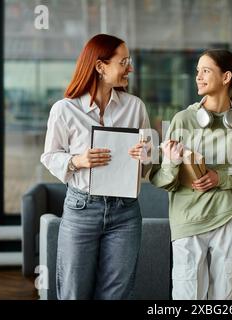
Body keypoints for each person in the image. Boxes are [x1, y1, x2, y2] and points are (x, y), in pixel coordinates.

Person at [40, 34, 151, 300]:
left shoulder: (135, 107)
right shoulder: (64, 110)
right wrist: (78, 160)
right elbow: (49, 156)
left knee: (116, 294)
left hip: (125, 213)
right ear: (100, 67)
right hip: (81, 210)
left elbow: (149, 165)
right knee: (73, 292)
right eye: (123, 62)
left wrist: (147, 156)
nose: (130, 68)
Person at [150, 49, 232, 300]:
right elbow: (161, 179)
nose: (198, 77)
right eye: (197, 71)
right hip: (187, 220)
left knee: (227, 298)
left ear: (226, 76)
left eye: (206, 71)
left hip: (228, 216)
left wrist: (218, 177)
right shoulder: (181, 120)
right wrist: (172, 162)